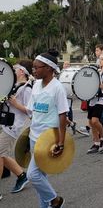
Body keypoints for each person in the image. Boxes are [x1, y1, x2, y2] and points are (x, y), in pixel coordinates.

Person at [27, 49, 69, 208]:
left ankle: (56, 200)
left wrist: (61, 142)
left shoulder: (57, 87)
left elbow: (62, 115)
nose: (34, 71)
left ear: (49, 69)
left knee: (33, 175)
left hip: (48, 139)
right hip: (33, 137)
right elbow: (32, 111)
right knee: (41, 178)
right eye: (33, 67)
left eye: (37, 67)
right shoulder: (36, 85)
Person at [0, 60, 33, 199]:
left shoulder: (27, 89)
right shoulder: (12, 85)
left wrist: (15, 104)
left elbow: (31, 111)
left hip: (12, 127)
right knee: (2, 154)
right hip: (3, 122)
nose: (13, 70)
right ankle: (21, 175)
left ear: (22, 71)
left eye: (16, 68)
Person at [78, 44, 103, 136]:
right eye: (95, 50)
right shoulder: (98, 64)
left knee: (97, 117)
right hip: (95, 95)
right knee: (96, 117)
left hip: (102, 96)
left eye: (97, 50)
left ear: (102, 51)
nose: (95, 52)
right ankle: (98, 137)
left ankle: (102, 134)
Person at [86, 53, 103, 154]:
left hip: (102, 99)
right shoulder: (96, 72)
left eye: (102, 59)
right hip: (92, 99)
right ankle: (96, 143)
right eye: (99, 59)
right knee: (91, 122)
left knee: (95, 121)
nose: (100, 60)